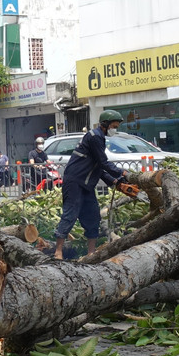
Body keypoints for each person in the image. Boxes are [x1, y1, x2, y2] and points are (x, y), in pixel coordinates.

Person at [50, 110, 137, 261]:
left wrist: (115, 182)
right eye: (114, 126)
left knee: (93, 216)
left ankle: (91, 253)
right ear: (105, 124)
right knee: (70, 214)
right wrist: (123, 173)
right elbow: (104, 163)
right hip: (75, 182)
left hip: (87, 185)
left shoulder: (100, 137)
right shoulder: (95, 137)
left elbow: (98, 167)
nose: (115, 129)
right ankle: (58, 252)